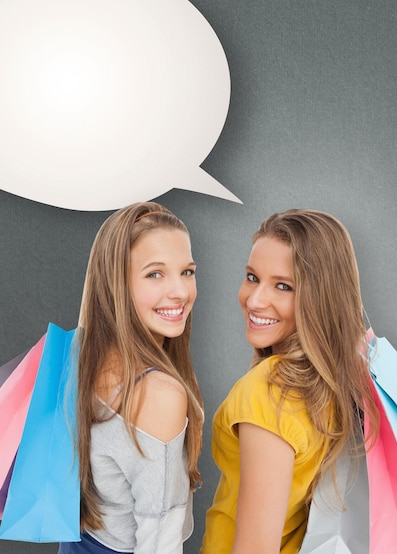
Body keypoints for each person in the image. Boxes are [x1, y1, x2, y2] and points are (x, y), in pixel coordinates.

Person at [199, 209, 379, 554]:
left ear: (319, 300)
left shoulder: (267, 394)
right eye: (252, 277)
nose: (255, 300)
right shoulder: (335, 382)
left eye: (283, 286)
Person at [59, 202, 204, 554]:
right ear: (116, 285)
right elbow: (159, 545)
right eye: (155, 274)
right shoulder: (158, 394)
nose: (181, 292)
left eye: (187, 271)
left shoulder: (77, 359)